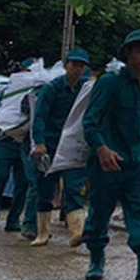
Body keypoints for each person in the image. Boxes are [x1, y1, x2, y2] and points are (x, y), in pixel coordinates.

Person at [81, 30, 140, 280]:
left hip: (139, 161)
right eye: (139, 51)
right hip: (108, 162)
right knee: (100, 212)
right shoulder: (109, 83)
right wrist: (101, 148)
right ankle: (96, 257)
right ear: (128, 54)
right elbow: (90, 122)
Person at [28, 47, 91, 247]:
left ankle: (76, 232)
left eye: (81, 66)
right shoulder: (52, 89)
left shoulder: (86, 90)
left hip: (73, 147)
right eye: (74, 65)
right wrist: (39, 143)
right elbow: (39, 117)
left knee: (73, 188)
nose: (78, 69)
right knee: (45, 189)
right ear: (66, 66)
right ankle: (43, 233)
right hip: (50, 146)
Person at [0, 59, 35, 232]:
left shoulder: (38, 89)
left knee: (23, 183)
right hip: (4, 141)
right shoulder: (5, 88)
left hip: (25, 143)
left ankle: (14, 219)